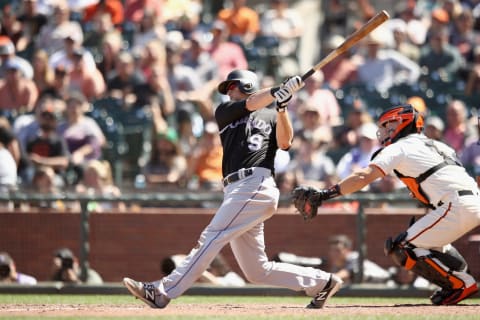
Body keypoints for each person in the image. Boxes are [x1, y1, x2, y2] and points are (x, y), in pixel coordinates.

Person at [123, 69, 343, 309]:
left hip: (255, 184)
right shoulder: (225, 111)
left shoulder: (270, 113)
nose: (228, 91)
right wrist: (275, 91)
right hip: (237, 189)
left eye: (233, 86)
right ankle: (323, 283)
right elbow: (252, 102)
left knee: (212, 236)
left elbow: (285, 142)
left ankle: (162, 291)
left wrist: (282, 107)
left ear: (247, 84)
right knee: (257, 271)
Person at [292, 103, 480, 305]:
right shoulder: (439, 145)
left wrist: (325, 194)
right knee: (431, 244)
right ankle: (459, 281)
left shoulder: (401, 146)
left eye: (387, 126)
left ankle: (461, 284)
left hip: (455, 205)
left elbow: (364, 176)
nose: (383, 131)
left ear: (401, 123)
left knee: (402, 246)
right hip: (470, 201)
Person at [326, 234, 391, 285]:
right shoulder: (337, 265)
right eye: (332, 250)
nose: (334, 254)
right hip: (369, 287)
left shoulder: (354, 256)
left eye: (337, 250)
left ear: (348, 250)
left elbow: (345, 274)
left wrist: (324, 279)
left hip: (387, 282)